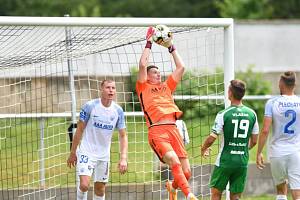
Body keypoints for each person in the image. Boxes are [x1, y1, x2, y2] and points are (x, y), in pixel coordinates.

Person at [136, 26, 198, 200]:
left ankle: (172, 187)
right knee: (175, 162)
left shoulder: (166, 87)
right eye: (154, 72)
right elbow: (142, 64)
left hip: (173, 129)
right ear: (147, 76)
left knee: (186, 173)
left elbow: (181, 67)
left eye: (158, 72)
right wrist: (149, 42)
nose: (158, 74)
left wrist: (171, 46)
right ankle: (189, 195)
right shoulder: (143, 87)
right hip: (157, 131)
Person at [67, 79, 128, 200]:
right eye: (108, 87)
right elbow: (79, 130)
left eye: (113, 88)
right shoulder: (90, 106)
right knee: (84, 185)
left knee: (100, 189)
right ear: (101, 89)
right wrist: (73, 152)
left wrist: (123, 158)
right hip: (86, 152)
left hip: (103, 155)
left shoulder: (118, 111)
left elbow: (123, 135)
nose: (111, 90)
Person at [201, 79, 259, 200]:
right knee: (236, 196)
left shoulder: (223, 114)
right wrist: (241, 147)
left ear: (230, 93)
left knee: (216, 194)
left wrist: (203, 148)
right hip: (242, 160)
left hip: (225, 161)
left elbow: (212, 138)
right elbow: (254, 141)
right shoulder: (252, 114)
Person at [256, 71, 300, 200]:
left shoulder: (272, 103)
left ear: (281, 84)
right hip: (296, 152)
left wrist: (259, 152)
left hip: (277, 152)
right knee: (297, 193)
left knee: (281, 190)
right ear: (294, 85)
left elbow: (265, 130)